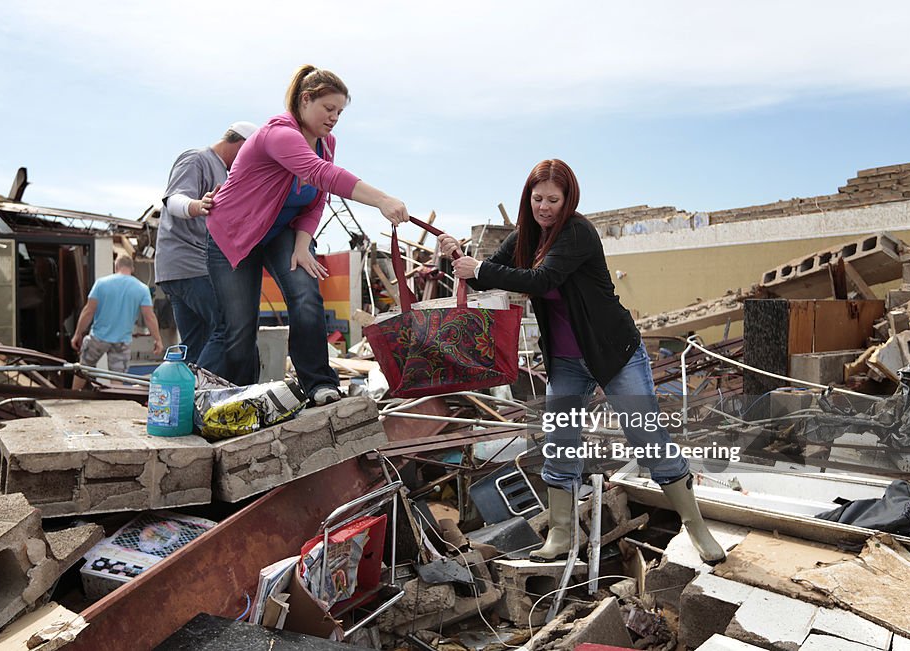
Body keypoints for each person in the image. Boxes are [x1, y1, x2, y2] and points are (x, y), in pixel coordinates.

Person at [439, 160, 726, 564]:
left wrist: (481, 268)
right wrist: (454, 254)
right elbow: (488, 277)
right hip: (567, 362)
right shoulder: (526, 236)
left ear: (567, 198)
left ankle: (696, 528)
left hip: (614, 354)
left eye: (553, 200)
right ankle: (559, 533)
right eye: (537, 198)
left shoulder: (577, 231)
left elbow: (542, 281)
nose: (544, 207)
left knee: (648, 440)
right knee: (560, 446)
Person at [207, 64, 409, 404]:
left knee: (306, 294)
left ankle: (319, 384)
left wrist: (303, 245)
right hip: (234, 234)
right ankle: (238, 399)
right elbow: (321, 175)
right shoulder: (279, 133)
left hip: (280, 233)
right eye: (328, 109)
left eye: (340, 112)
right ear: (304, 100)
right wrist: (382, 199)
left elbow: (317, 200)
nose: (334, 118)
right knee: (240, 328)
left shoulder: (327, 143)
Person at [155, 121, 258, 377]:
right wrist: (196, 205)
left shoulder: (224, 173)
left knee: (196, 342)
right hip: (191, 264)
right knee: (231, 324)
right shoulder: (197, 159)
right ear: (241, 146)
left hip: (178, 270)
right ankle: (202, 393)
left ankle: (188, 406)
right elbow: (174, 199)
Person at [71, 255, 163, 389]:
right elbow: (149, 316)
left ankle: (74, 397)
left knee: (83, 369)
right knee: (117, 379)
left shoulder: (101, 283)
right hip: (122, 342)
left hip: (98, 338)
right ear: (132, 268)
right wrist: (157, 339)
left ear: (116, 266)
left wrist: (77, 333)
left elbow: (88, 311)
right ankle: (116, 405)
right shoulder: (141, 288)